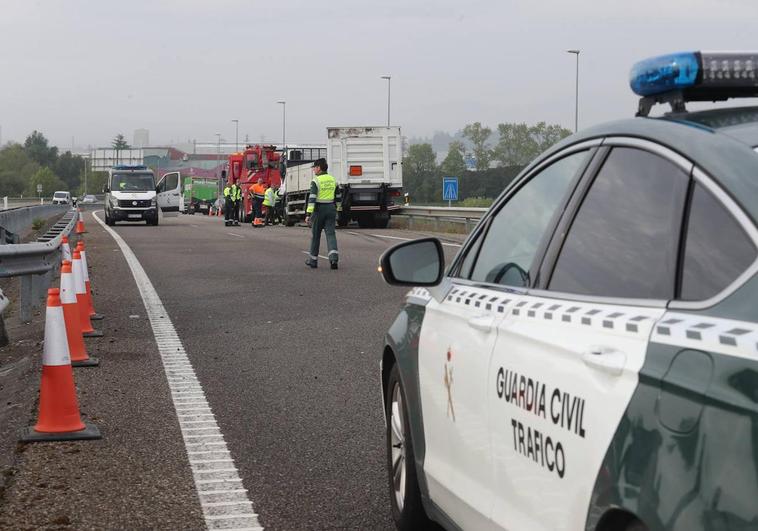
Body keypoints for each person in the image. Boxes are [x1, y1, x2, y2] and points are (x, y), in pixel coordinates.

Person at [305, 158, 341, 270]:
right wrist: (338, 209)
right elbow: (338, 197)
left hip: (319, 209)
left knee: (316, 235)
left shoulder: (316, 181)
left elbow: (312, 198)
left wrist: (308, 214)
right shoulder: (333, 180)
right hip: (331, 208)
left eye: (314, 168)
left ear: (319, 168)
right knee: (331, 234)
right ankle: (334, 259)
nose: (313, 170)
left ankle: (313, 260)